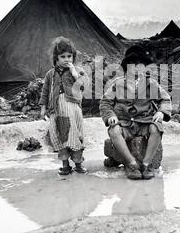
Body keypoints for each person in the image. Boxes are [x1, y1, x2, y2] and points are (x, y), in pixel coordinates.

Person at [99, 45, 172, 180]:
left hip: (145, 122)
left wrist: (161, 112)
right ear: (127, 67)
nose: (138, 69)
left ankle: (146, 163)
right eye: (134, 66)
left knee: (156, 128)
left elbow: (165, 99)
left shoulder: (151, 84)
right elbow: (105, 103)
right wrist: (111, 116)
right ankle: (131, 163)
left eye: (142, 66)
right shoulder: (117, 84)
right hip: (125, 123)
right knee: (114, 131)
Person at [39, 37, 88, 176]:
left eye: (69, 56)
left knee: (75, 134)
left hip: (72, 108)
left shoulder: (77, 71)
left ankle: (78, 163)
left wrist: (73, 72)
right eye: (63, 57)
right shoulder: (50, 74)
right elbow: (45, 91)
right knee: (60, 136)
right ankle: (65, 165)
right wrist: (43, 107)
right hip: (56, 109)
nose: (67, 59)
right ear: (56, 58)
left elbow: (83, 85)